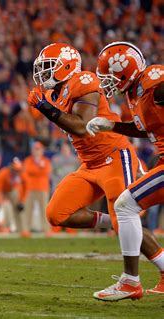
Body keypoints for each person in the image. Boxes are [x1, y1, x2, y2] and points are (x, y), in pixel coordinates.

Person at [28, 42, 163, 298]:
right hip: (89, 164)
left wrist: (45, 107)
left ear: (66, 67)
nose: (43, 74)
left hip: (113, 157)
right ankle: (111, 223)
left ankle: (146, 276)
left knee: (124, 213)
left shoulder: (84, 80)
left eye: (48, 68)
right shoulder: (56, 93)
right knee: (57, 214)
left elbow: (80, 126)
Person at [86, 42, 164, 301]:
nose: (107, 84)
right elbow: (144, 128)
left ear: (125, 71)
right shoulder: (135, 93)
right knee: (127, 204)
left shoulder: (153, 80)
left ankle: (130, 281)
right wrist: (112, 125)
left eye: (110, 77)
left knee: (125, 204)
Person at [22, 142, 51, 235]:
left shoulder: (46, 161)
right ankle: (26, 229)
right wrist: (39, 169)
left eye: (38, 149)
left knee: (44, 210)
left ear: (42, 151)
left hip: (43, 188)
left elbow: (46, 172)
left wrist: (35, 171)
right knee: (28, 210)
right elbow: (26, 172)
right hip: (30, 188)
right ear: (32, 151)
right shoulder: (27, 160)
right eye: (35, 149)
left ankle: (47, 230)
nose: (37, 151)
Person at [0, 157, 25, 234]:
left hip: (12, 190)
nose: (17, 172)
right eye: (15, 170)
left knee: (18, 208)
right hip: (2, 190)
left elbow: (26, 187)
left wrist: (21, 201)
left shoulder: (21, 174)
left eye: (18, 170)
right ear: (11, 167)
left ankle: (22, 229)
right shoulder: (4, 173)